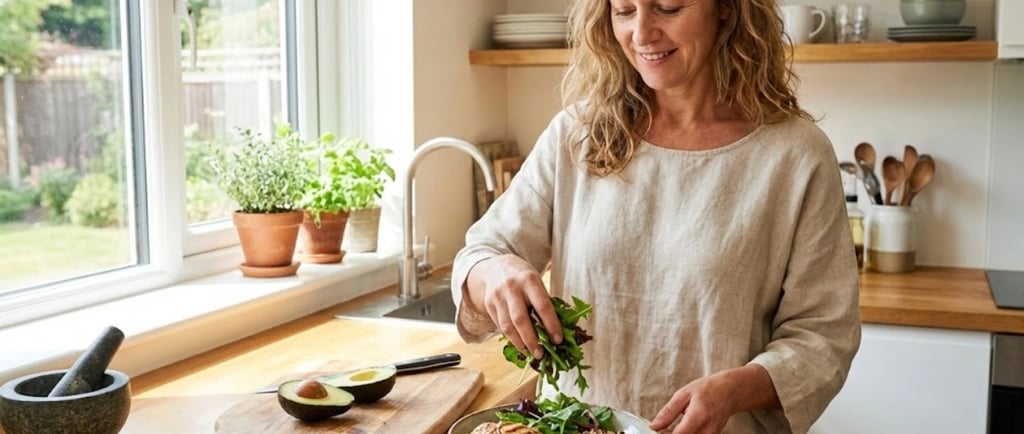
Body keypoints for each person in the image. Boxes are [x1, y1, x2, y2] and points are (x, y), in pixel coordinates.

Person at [450, 0, 861, 432]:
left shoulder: (796, 155)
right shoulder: (578, 135)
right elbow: (482, 252)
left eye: (668, 7)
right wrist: (493, 271)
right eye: (624, 10)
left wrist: (735, 390)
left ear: (725, 9)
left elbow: (824, 336)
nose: (642, 33)